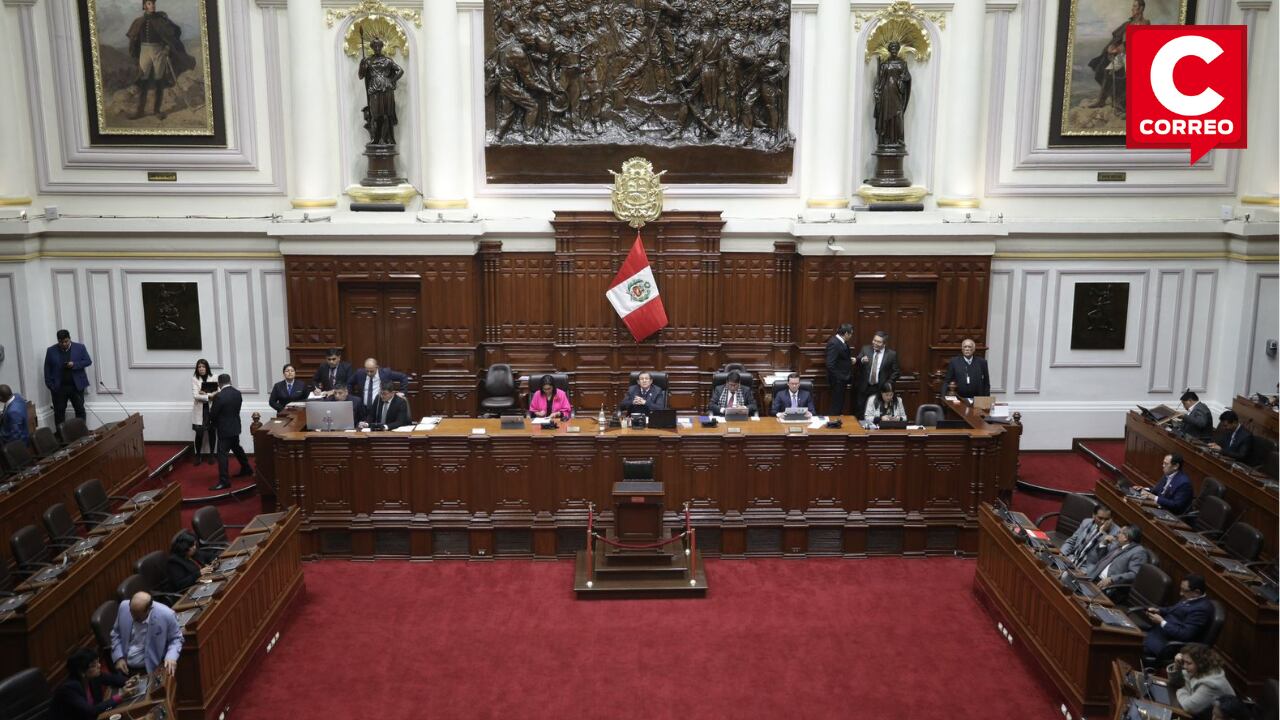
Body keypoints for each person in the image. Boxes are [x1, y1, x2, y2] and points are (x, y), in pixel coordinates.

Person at [125, 0, 196, 121]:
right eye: (149, 3)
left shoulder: (162, 20)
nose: (152, 5)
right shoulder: (138, 21)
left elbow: (176, 31)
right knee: (143, 80)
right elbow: (134, 38)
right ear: (144, 6)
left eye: (153, 3)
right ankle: (140, 111)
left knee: (159, 80)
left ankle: (157, 111)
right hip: (144, 52)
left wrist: (167, 47)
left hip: (159, 52)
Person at [109, 591, 183, 677]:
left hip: (152, 667)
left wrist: (171, 656)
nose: (133, 617)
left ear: (149, 609)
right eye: (131, 612)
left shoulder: (167, 615)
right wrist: (119, 657)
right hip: (125, 668)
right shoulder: (123, 607)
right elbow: (115, 634)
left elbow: (176, 639)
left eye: (137, 616)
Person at [1144, 573, 1214, 661]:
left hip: (1167, 644)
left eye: (1184, 590)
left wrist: (1162, 622)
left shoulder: (1202, 610)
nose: (1181, 593)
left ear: (1197, 592)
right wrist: (1159, 610)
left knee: (1130, 644)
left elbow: (1185, 634)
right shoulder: (1190, 597)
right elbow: (1173, 610)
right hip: (1157, 633)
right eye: (1181, 589)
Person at [49, 647, 132, 720]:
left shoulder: (93, 676)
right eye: (94, 665)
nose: (99, 665)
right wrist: (120, 696)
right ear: (82, 672)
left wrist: (128, 681)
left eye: (98, 662)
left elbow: (112, 679)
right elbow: (91, 711)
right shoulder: (69, 689)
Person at [1166, 644, 1235, 718]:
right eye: (1184, 662)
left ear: (1201, 663)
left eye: (1188, 663)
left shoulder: (1211, 684)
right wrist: (1177, 665)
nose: (1185, 667)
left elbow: (1187, 706)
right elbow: (1175, 682)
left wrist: (1181, 689)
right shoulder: (1199, 670)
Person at [208, 373, 251, 491]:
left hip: (224, 429)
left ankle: (224, 481)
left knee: (222, 454)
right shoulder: (237, 393)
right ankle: (247, 468)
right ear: (230, 381)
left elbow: (213, 414)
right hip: (235, 426)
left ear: (219, 384)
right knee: (237, 448)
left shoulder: (219, 396)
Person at [44, 329, 92, 427]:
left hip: (76, 387)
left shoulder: (80, 347)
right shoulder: (51, 350)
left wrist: (74, 364)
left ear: (70, 339)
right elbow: (47, 369)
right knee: (59, 413)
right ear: (58, 341)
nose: (64, 344)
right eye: (61, 342)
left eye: (66, 341)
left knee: (80, 410)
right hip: (59, 388)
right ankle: (62, 438)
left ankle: (81, 434)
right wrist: (50, 386)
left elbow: (88, 361)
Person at [1086, 525, 1150, 590]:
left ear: (1125, 537)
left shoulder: (1139, 552)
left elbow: (1134, 574)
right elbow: (1103, 559)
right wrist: (1104, 543)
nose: (1116, 535)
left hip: (1108, 586)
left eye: (1119, 532)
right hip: (1093, 577)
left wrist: (1112, 579)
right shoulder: (1118, 545)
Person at [855, 331, 900, 420]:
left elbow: (896, 372)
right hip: (864, 387)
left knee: (877, 412)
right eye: (874, 340)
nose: (875, 343)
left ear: (884, 344)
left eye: (878, 342)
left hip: (880, 389)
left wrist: (887, 384)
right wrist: (861, 360)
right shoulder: (865, 349)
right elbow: (858, 362)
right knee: (860, 412)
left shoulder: (891, 354)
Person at [1060, 504, 1114, 568]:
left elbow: (1105, 557)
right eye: (1100, 518)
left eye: (1106, 519)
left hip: (1085, 568)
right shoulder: (1087, 522)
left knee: (1063, 576)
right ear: (1093, 515)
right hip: (1072, 558)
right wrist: (1062, 553)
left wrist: (1103, 533)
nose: (1103, 522)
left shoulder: (1115, 533)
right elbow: (1072, 540)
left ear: (1111, 519)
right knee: (1049, 562)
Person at [190, 359, 217, 465]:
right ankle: (198, 455)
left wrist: (204, 393)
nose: (201, 368)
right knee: (199, 434)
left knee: (212, 432)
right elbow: (196, 396)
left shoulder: (214, 377)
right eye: (199, 367)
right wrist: (210, 395)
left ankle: (211, 455)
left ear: (207, 367)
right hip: (200, 410)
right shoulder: (194, 379)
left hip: (211, 409)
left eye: (203, 366)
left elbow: (218, 391)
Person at [825, 323, 854, 416]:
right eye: (851, 334)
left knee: (839, 405)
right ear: (846, 333)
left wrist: (849, 361)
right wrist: (841, 378)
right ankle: (833, 426)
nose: (851, 336)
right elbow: (830, 364)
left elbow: (841, 359)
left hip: (841, 381)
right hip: (837, 381)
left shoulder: (841, 342)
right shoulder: (834, 343)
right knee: (836, 406)